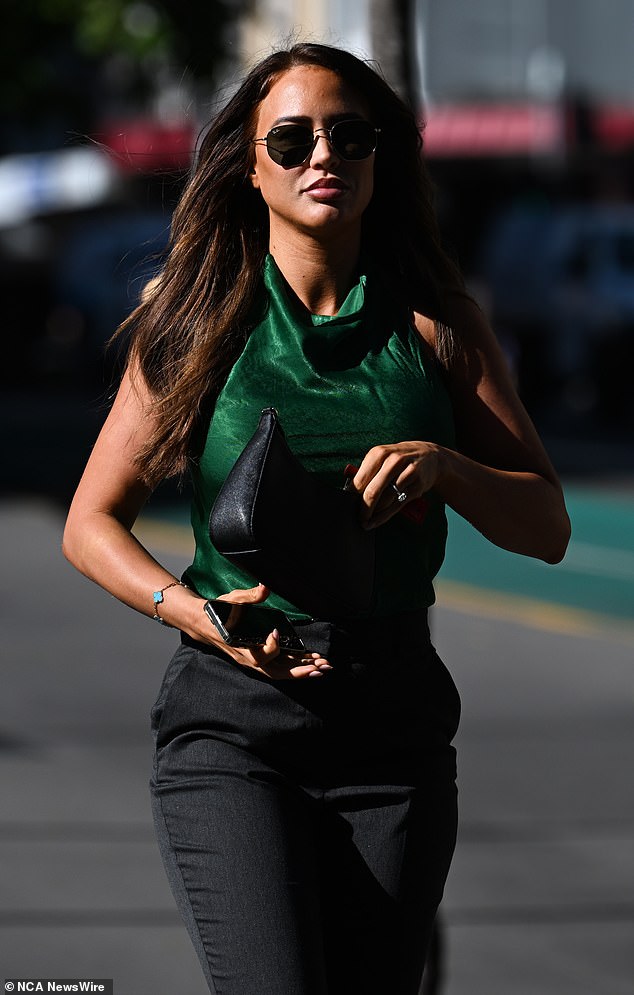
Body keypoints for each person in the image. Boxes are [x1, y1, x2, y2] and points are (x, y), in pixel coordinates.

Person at [62, 42, 570, 995]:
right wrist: (198, 611)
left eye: (349, 134)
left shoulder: (439, 326)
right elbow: (90, 521)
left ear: (382, 157)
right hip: (234, 723)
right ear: (249, 166)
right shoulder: (193, 318)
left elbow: (546, 527)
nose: (323, 156)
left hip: (393, 728)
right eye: (290, 140)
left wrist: (450, 465)